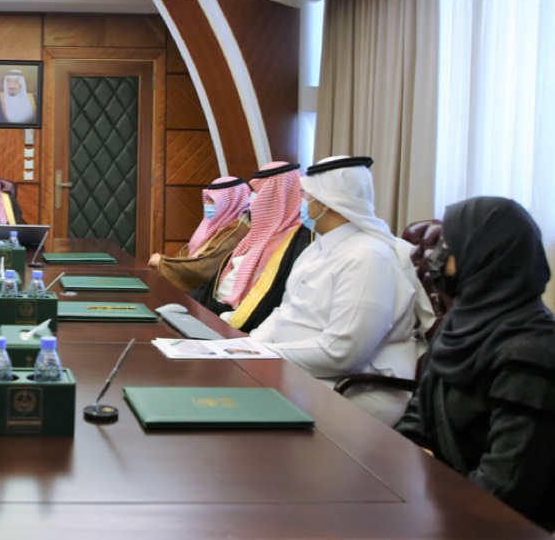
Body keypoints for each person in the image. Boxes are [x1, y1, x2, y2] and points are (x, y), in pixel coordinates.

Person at [395, 197, 555, 529]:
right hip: (444, 502)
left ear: (484, 254)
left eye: (448, 247)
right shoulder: (457, 325)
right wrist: (395, 472)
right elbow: (417, 422)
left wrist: (430, 513)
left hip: (492, 524)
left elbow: (506, 486)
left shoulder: (532, 351)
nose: (437, 257)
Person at [249, 156, 435, 425]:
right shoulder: (316, 249)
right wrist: (249, 346)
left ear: (325, 202)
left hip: (356, 388)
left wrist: (265, 354)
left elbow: (341, 352)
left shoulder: (368, 257)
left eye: (306, 196)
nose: (302, 203)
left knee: (240, 409)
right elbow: (285, 312)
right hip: (303, 373)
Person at [192, 162, 312, 333]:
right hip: (215, 312)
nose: (252, 199)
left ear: (275, 196)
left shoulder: (296, 241)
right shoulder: (257, 231)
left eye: (258, 191)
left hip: (241, 325)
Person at [148, 176, 251, 293]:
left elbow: (204, 267)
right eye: (207, 199)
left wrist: (162, 263)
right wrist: (165, 263)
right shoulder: (214, 224)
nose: (207, 204)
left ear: (230, 202)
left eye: (212, 200)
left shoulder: (237, 229)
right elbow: (188, 254)